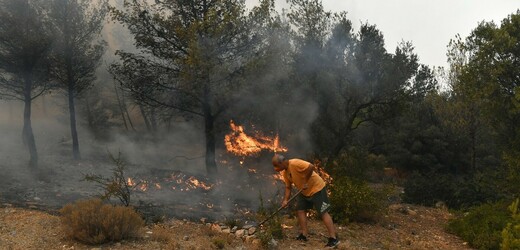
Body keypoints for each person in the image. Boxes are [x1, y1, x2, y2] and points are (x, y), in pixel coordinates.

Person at [271, 154, 340, 248]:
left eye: (276, 166)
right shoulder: (285, 173)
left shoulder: (295, 163)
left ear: (281, 162)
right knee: (300, 210)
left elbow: (311, 166)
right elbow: (288, 187)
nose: (275, 169)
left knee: (323, 212)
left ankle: (333, 238)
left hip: (317, 189)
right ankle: (304, 234)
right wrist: (285, 200)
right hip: (304, 192)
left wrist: (305, 181)